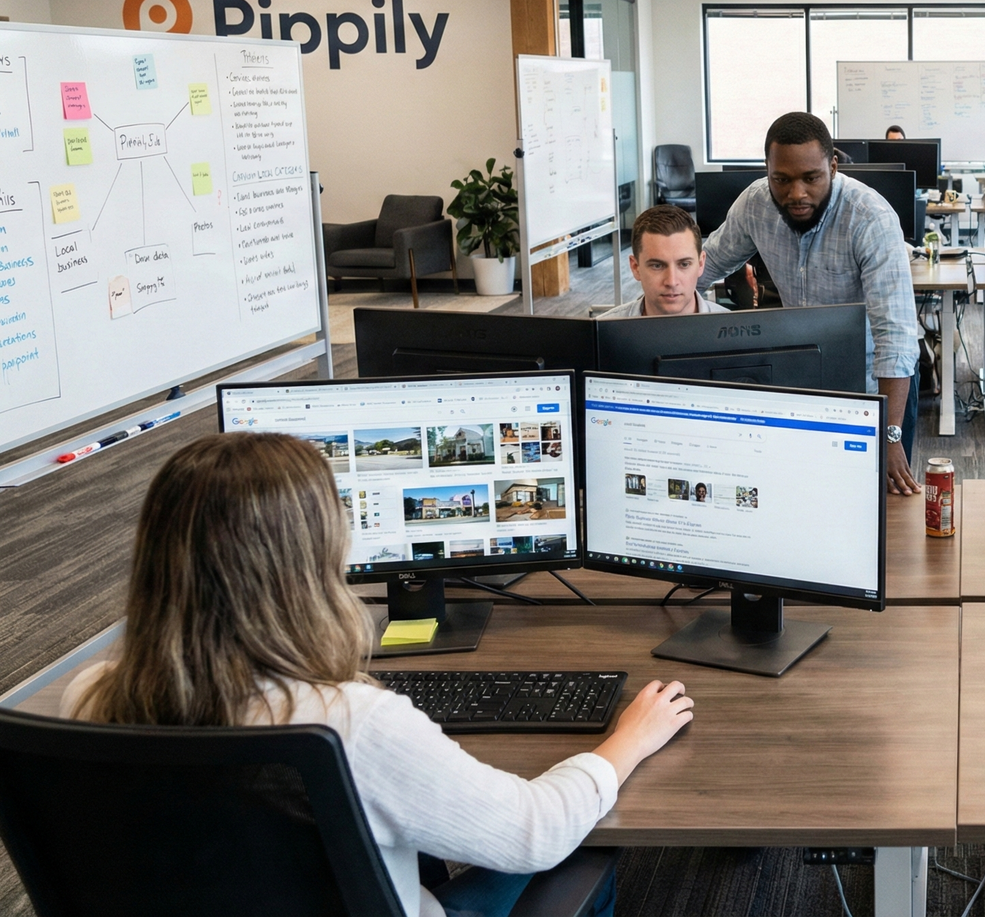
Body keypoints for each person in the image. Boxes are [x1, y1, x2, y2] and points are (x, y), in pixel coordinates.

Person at [62, 432, 695, 917]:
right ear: (305, 564)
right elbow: (535, 832)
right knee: (585, 845)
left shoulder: (89, 697)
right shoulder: (351, 726)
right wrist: (627, 740)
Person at [698, 112, 922, 496]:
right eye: (781, 180)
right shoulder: (755, 204)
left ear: (832, 167)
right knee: (802, 497)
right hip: (802, 377)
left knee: (880, 511)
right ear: (767, 170)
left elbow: (896, 336)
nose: (796, 193)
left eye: (811, 178)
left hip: (874, 385)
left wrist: (889, 435)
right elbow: (705, 265)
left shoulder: (870, 218)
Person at [603, 204, 729, 318]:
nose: (672, 282)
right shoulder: (601, 334)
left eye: (684, 264)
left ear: (701, 264)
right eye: (657, 266)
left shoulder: (732, 328)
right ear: (635, 267)